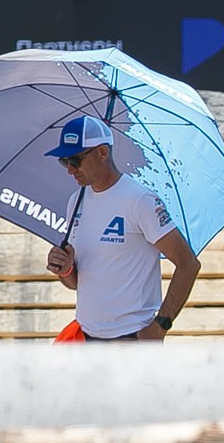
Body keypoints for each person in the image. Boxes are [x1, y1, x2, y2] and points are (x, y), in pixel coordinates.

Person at [41, 114, 201, 343]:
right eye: (64, 161)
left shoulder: (140, 200)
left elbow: (188, 264)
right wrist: (65, 270)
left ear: (102, 152)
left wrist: (161, 325)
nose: (70, 170)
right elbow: (77, 283)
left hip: (131, 340)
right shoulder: (75, 201)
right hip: (87, 338)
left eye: (75, 160)